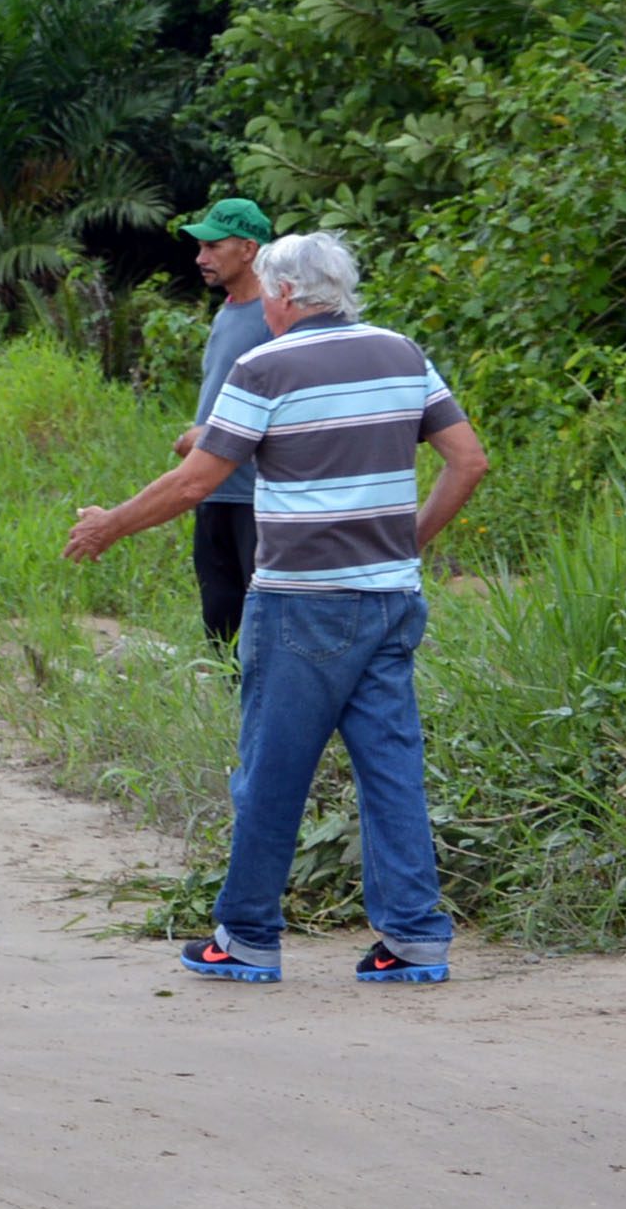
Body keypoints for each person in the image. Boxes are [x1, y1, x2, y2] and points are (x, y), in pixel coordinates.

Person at [63, 230, 490, 986]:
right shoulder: (400, 351)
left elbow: (194, 483)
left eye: (265, 289)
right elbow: (468, 459)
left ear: (286, 294)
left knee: (269, 771)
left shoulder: (262, 366)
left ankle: (249, 935)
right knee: (391, 770)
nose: (261, 304)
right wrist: (407, 541)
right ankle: (417, 939)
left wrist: (108, 525)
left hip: (300, 604)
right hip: (390, 599)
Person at [172, 197, 277, 644]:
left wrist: (208, 436)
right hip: (214, 491)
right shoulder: (228, 310)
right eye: (200, 248)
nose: (201, 258)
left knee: (262, 626)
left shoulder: (279, 316)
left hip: (258, 497)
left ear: (249, 249)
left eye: (213, 246)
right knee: (220, 623)